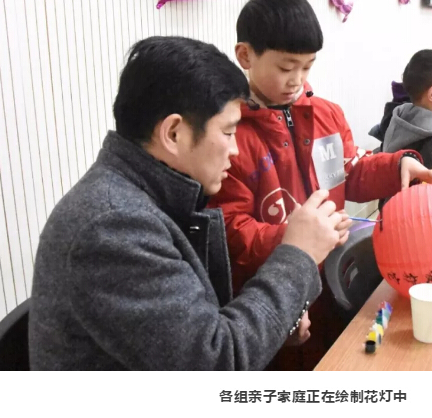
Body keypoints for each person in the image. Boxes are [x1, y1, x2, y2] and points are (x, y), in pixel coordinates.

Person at [28, 37, 347, 370]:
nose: (235, 150)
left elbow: (198, 321)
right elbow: (217, 362)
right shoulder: (113, 227)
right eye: (228, 133)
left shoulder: (149, 194)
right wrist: (298, 254)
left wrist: (278, 317)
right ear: (174, 134)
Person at [208, 0, 432, 371]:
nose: (297, 80)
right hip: (269, 291)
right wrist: (297, 239)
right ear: (246, 56)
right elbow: (230, 231)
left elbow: (349, 173)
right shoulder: (229, 133)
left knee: (338, 360)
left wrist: (397, 165)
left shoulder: (326, 115)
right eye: (286, 68)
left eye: (307, 67)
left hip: (330, 277)